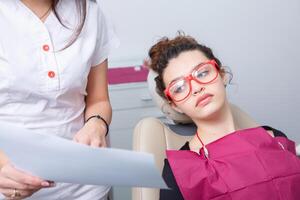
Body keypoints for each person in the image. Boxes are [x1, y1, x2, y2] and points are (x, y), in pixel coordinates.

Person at [146, 34, 300, 200]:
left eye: (202, 73)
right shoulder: (179, 172)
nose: (196, 87)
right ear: (174, 105)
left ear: (222, 74)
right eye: (179, 88)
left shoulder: (275, 139)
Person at [0, 0, 119, 199]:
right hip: (10, 184)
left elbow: (99, 100)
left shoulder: (89, 10)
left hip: (86, 186)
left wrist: (96, 124)